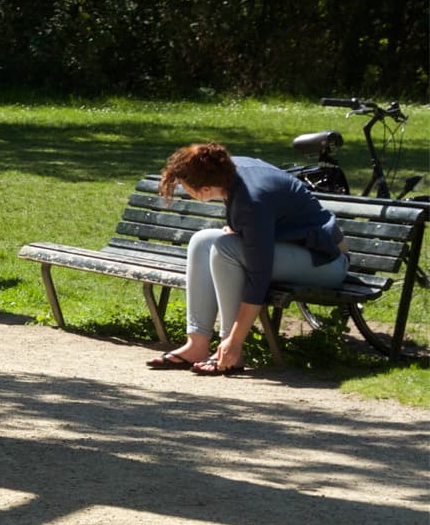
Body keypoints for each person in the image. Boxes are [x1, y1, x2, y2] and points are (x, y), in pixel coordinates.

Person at [146, 142, 347, 376]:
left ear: (206, 188)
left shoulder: (251, 200)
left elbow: (258, 277)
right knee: (202, 241)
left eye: (184, 185)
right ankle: (197, 345)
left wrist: (235, 340)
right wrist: (241, 230)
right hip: (298, 249)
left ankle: (230, 350)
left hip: (326, 262)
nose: (183, 189)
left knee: (226, 248)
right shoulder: (229, 171)